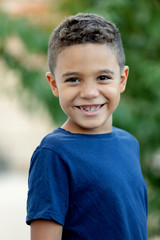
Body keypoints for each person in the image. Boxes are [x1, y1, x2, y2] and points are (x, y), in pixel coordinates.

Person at [26, 13, 148, 240]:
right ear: (54, 84)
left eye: (103, 77)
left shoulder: (129, 144)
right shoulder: (53, 154)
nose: (90, 93)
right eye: (73, 79)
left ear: (122, 79)